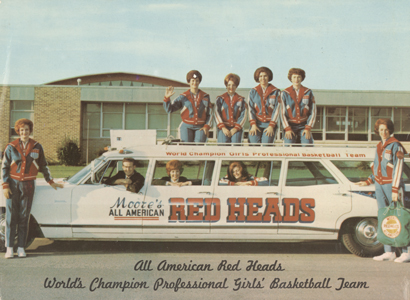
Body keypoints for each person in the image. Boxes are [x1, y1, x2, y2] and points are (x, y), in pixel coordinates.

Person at [1, 118, 64, 259]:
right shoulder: (11, 146)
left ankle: (22, 247)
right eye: (22, 130)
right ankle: (10, 248)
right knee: (11, 217)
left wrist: (50, 181)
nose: (24, 132)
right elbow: (4, 167)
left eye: (27, 130)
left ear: (30, 131)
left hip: (28, 184)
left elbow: (43, 166)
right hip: (13, 184)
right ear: (18, 131)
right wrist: (5, 185)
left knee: (24, 216)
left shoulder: (37, 146)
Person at [355, 119, 410, 263]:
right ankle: (389, 251)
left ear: (390, 130)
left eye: (386, 130)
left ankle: (406, 251)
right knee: (384, 218)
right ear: (377, 131)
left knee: (399, 217)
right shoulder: (379, 146)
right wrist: (368, 181)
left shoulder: (395, 145)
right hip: (379, 186)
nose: (383, 132)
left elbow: (398, 167)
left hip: (392, 185)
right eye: (381, 130)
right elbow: (377, 167)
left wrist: (395, 188)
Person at [163, 70, 213, 143]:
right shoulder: (183, 96)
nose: (194, 83)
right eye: (192, 81)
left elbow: (210, 113)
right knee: (186, 146)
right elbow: (169, 109)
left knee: (199, 145)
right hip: (186, 126)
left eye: (197, 80)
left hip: (200, 126)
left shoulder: (205, 96)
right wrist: (167, 98)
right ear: (189, 82)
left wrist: (207, 126)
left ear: (199, 82)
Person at [280, 68, 316, 146]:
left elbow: (313, 111)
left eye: (299, 77)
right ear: (291, 78)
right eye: (294, 77)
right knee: (288, 145)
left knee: (307, 145)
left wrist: (308, 127)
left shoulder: (308, 92)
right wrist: (287, 128)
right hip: (290, 126)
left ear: (302, 78)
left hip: (304, 125)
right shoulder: (285, 93)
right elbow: (282, 113)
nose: (296, 79)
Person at [248, 67, 281, 145]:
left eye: (265, 76)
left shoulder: (276, 91)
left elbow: (277, 109)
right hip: (256, 123)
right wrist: (253, 124)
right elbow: (250, 109)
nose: (263, 78)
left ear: (269, 77)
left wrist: (271, 126)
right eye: (260, 76)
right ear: (258, 78)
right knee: (253, 145)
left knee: (266, 145)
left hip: (270, 123)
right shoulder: (253, 91)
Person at [214, 73, 247, 145]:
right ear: (226, 86)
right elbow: (216, 113)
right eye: (229, 85)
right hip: (223, 128)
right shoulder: (220, 99)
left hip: (236, 128)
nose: (231, 87)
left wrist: (236, 128)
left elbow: (243, 115)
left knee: (236, 145)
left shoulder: (241, 100)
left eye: (233, 85)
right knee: (222, 145)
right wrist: (223, 127)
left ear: (236, 86)